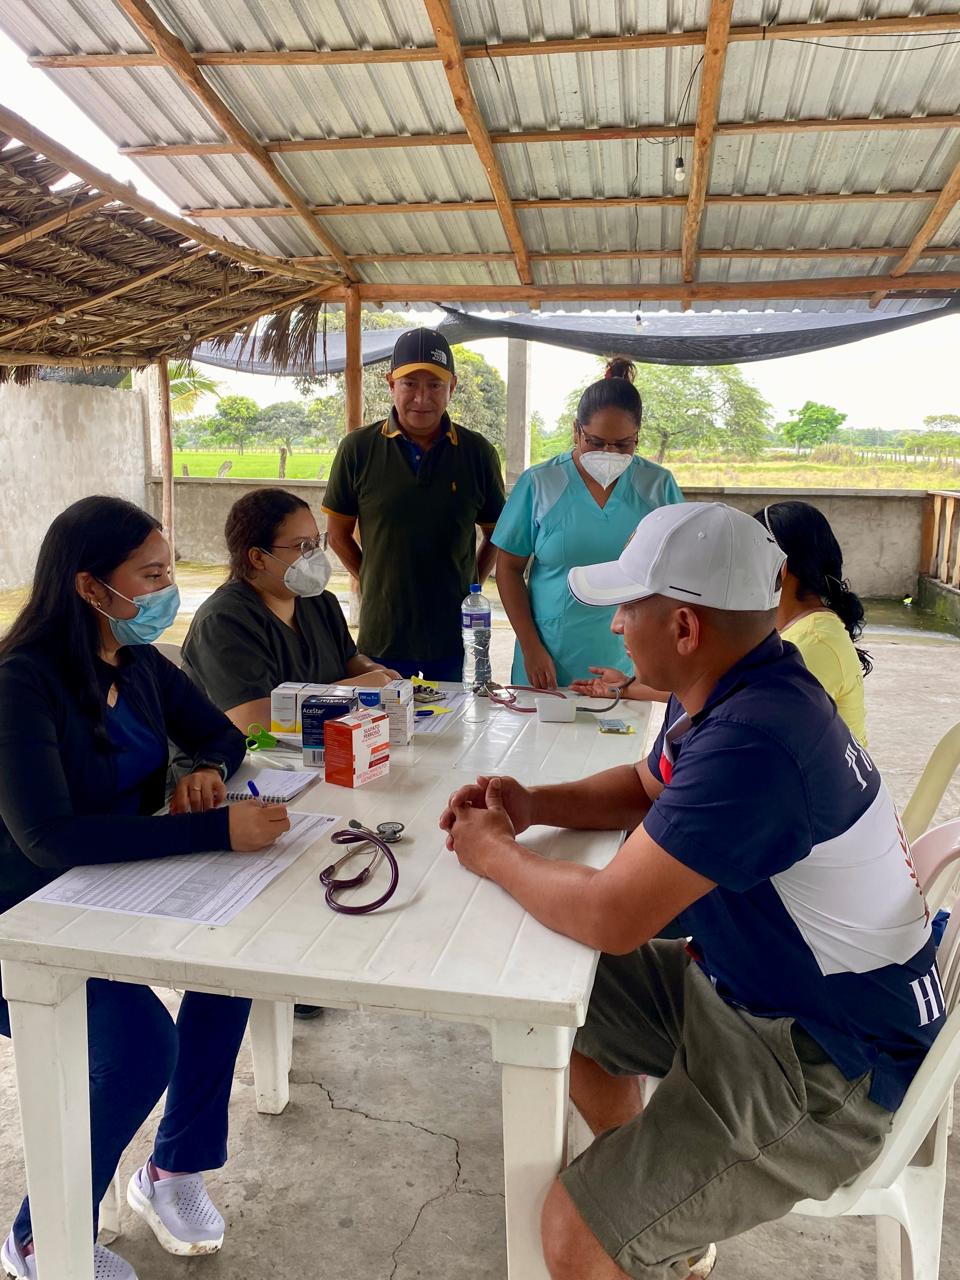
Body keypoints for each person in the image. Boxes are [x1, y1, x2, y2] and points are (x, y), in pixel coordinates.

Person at [440, 502, 942, 1280]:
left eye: (626, 608)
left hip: (829, 1063)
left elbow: (612, 916)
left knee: (573, 1235)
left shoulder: (757, 743)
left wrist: (492, 851)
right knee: (543, 980)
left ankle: (630, 1225)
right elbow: (647, 787)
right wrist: (533, 804)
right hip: (752, 996)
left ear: (683, 627)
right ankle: (654, 1209)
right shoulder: (731, 683)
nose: (614, 626)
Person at [0, 496, 290, 1280]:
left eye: (169, 571)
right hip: (22, 912)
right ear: (90, 586)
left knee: (232, 966)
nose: (170, 589)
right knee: (137, 1048)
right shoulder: (22, 683)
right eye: (153, 575)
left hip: (109, 887)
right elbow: (48, 836)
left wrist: (203, 770)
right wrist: (214, 829)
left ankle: (172, 1167)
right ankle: (40, 1237)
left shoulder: (140, 666)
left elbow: (222, 734)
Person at [323, 328, 506, 682]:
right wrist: (373, 581)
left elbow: (496, 533)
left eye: (435, 385)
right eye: (410, 383)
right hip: (383, 634)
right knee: (383, 716)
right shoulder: (358, 449)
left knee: (456, 717)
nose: (422, 398)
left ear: (452, 387)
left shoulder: (478, 452)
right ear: (391, 383)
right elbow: (337, 535)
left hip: (454, 636)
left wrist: (472, 586)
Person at [492, 358, 682, 689]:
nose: (609, 453)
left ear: (637, 437)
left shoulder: (657, 486)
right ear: (576, 430)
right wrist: (530, 647)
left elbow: (676, 572)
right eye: (595, 442)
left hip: (626, 662)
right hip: (547, 658)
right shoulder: (541, 483)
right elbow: (508, 569)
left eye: (622, 444)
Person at [182, 487, 399, 734]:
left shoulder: (319, 601)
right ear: (258, 558)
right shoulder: (223, 622)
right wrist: (351, 691)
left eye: (316, 542)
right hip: (241, 756)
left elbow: (349, 658)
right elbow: (254, 720)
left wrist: (375, 672)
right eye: (302, 545)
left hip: (318, 745)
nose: (314, 555)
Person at [755, 500, 871, 745]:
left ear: (780, 568)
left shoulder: (811, 644)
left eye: (748, 560)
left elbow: (755, 728)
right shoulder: (805, 629)